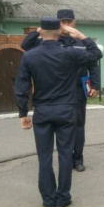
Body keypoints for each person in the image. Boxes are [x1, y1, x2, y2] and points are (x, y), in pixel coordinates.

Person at [15, 18, 103, 207]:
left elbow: (22, 88)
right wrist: (79, 35)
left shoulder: (30, 56)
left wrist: (23, 113)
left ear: (41, 33)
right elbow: (96, 54)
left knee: (44, 156)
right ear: (59, 32)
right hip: (66, 110)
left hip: (43, 111)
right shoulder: (70, 54)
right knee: (64, 155)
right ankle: (63, 197)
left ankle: (48, 199)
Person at [21, 9, 99, 172]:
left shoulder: (79, 42)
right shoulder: (48, 40)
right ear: (57, 24)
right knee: (61, 128)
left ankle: (77, 159)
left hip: (77, 89)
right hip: (56, 91)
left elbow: (93, 62)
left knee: (78, 125)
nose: (67, 25)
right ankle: (63, 159)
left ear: (74, 23)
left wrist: (95, 85)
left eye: (70, 22)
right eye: (63, 22)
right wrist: (40, 30)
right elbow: (25, 45)